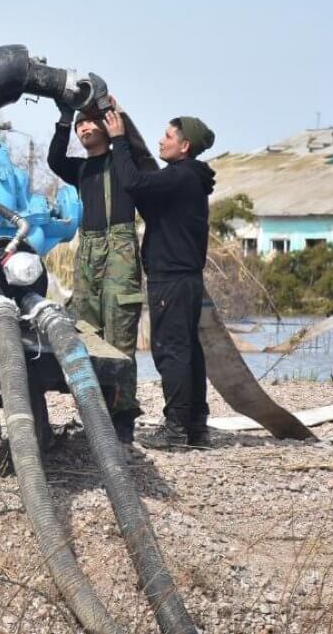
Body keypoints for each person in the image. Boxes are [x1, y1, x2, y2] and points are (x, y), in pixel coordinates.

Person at [103, 104, 216, 448]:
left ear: (185, 146)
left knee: (171, 351)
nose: (161, 141)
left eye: (167, 136)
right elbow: (149, 201)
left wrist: (119, 141)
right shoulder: (188, 179)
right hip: (186, 279)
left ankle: (176, 429)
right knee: (189, 351)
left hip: (172, 278)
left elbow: (134, 182)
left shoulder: (180, 175)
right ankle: (196, 426)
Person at [47, 100, 143, 443]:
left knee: (119, 335)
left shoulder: (124, 161)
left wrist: (120, 129)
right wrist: (63, 117)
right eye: (80, 126)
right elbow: (54, 160)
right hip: (88, 249)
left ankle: (123, 419)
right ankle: (95, 413)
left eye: (91, 123)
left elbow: (138, 159)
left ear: (106, 126)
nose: (85, 128)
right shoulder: (79, 169)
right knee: (87, 330)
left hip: (119, 248)